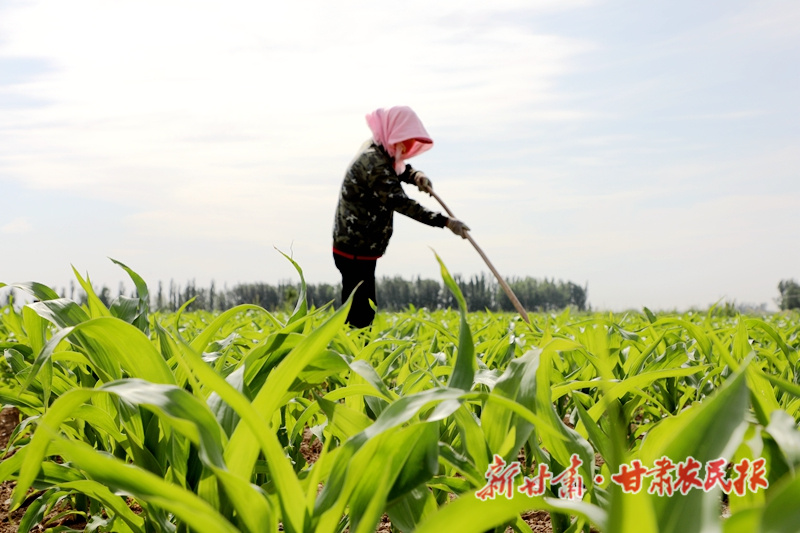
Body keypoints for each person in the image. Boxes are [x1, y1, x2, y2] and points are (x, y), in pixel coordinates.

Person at [332, 106, 470, 327]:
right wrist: (444, 222)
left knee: (362, 309)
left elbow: (399, 168)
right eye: (404, 140)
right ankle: (350, 348)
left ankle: (353, 345)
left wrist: (416, 176)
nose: (407, 147)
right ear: (393, 134)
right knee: (360, 314)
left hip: (361, 247)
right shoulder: (373, 162)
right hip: (354, 250)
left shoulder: (379, 148)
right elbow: (401, 202)